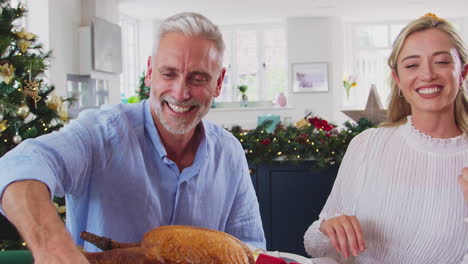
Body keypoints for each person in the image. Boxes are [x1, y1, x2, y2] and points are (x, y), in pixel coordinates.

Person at [0, 12, 266, 263]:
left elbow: (250, 251)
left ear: (219, 82)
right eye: (168, 73)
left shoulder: (229, 152)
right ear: (150, 72)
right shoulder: (102, 132)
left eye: (198, 78)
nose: (181, 92)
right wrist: (51, 246)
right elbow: (19, 165)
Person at [304, 13, 468, 263]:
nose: (427, 75)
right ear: (398, 79)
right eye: (412, 65)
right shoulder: (367, 145)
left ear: (463, 73)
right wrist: (328, 228)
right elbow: (318, 246)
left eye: (442, 62)